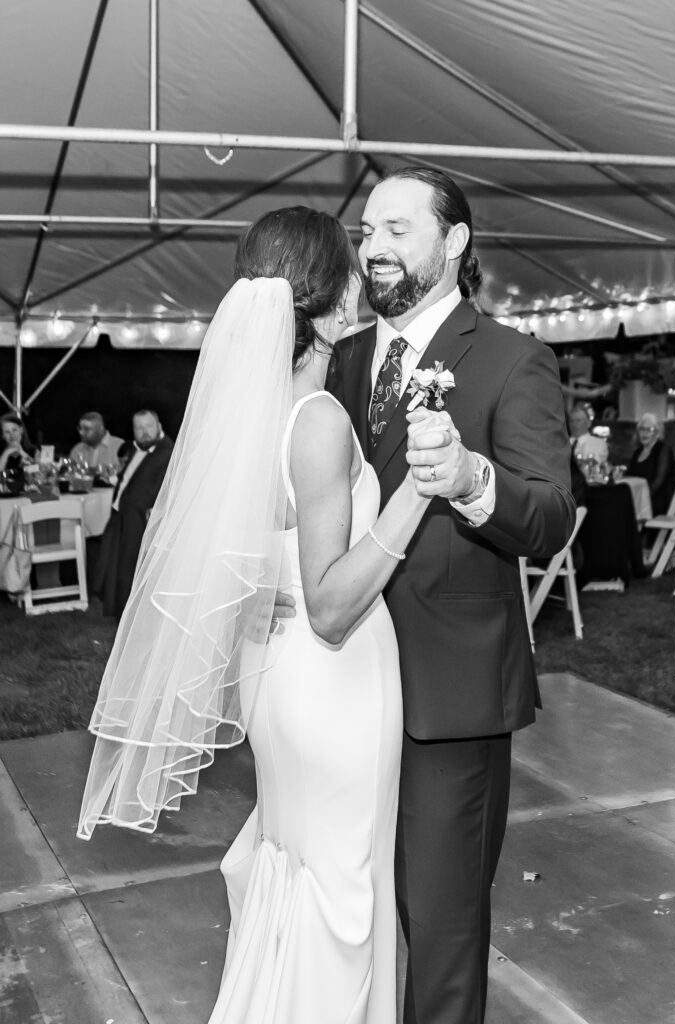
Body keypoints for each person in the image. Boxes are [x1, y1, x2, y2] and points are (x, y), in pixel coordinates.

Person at [77, 207, 433, 1024]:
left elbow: (250, 568)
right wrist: (422, 485)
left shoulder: (254, 418)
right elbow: (335, 605)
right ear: (329, 296)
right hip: (335, 683)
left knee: (293, 862)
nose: (362, 277)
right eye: (352, 265)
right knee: (341, 883)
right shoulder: (316, 420)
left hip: (275, 679)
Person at [270, 165, 570, 1023]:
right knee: (344, 914)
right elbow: (291, 494)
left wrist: (476, 479)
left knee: (437, 928)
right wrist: (272, 582)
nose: (375, 249)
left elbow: (549, 516)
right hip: (338, 694)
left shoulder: (513, 359)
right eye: (366, 232)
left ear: (455, 241)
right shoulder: (342, 355)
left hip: (447, 698)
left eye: (399, 230)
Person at [95, 409, 173, 619]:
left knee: (130, 569)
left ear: (158, 425)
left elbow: (163, 490)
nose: (144, 432)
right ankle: (120, 612)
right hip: (123, 515)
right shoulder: (135, 448)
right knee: (117, 566)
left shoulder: (168, 452)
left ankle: (130, 615)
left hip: (141, 519)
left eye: (148, 426)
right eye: (139, 427)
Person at [627, 412, 675, 515]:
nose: (644, 433)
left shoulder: (664, 450)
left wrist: (640, 499)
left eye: (649, 429)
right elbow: (629, 477)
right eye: (641, 429)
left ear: (658, 433)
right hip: (638, 499)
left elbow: (658, 482)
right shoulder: (637, 452)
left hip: (657, 501)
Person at [0, 413, 34, 486]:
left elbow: (39, 477)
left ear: (21, 430)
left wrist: (22, 452)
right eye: (7, 432)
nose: (12, 435)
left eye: (14, 430)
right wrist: (6, 453)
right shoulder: (1, 453)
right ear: (3, 436)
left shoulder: (33, 451)